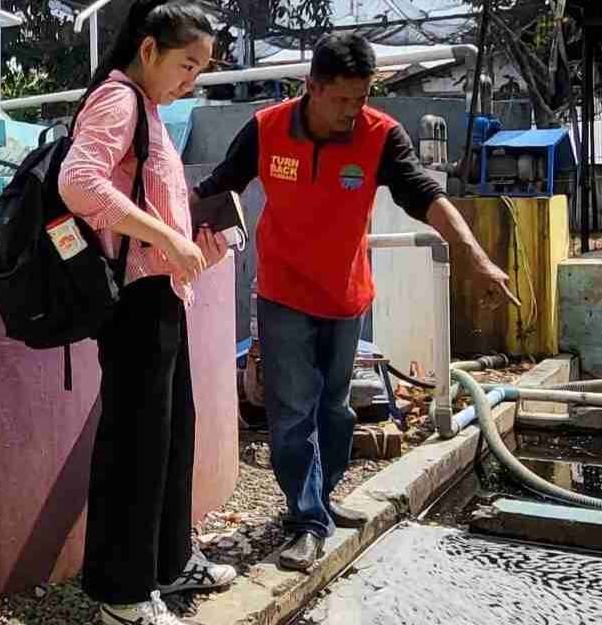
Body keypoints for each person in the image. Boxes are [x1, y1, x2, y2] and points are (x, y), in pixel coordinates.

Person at [194, 33, 517, 572]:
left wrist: (474, 257)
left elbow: (426, 196)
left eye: (362, 98)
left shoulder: (380, 136)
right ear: (311, 88)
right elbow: (218, 185)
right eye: (341, 99)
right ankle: (306, 520)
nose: (352, 111)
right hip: (283, 295)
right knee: (292, 411)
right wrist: (173, 236)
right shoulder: (267, 129)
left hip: (346, 296)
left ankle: (320, 498)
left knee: (336, 409)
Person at [59, 0, 238, 625]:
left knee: (171, 435)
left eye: (202, 69)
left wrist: (195, 241)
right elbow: (79, 183)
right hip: (134, 302)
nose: (192, 79)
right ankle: (124, 593)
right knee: (136, 446)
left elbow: (147, 203)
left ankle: (168, 562)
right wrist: (166, 236)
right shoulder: (119, 100)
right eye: (186, 65)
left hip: (162, 295)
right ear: (148, 51)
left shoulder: (152, 112)